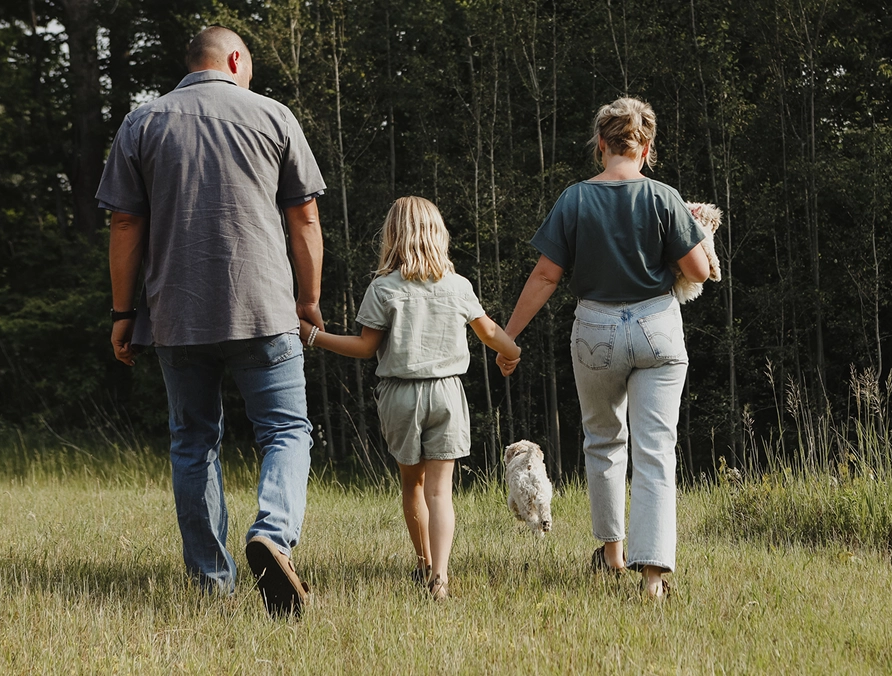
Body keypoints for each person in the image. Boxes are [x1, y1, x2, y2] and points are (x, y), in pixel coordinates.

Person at [97, 26, 326, 617]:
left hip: (176, 313)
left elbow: (124, 227)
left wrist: (123, 313)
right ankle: (273, 534)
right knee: (286, 430)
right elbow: (304, 217)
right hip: (265, 308)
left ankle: (211, 582)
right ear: (234, 59)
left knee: (193, 442)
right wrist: (308, 300)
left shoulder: (141, 124)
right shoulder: (274, 116)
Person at [501, 97, 709, 600]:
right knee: (656, 451)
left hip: (595, 329)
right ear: (647, 146)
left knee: (603, 441)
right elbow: (700, 271)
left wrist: (508, 337)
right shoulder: (664, 198)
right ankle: (654, 579)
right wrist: (695, 228)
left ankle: (612, 557)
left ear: (601, 145)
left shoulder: (574, 199)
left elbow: (547, 274)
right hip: (657, 325)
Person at [300, 196, 520, 601]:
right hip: (448, 394)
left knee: (413, 487)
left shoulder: (383, 288)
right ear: (438, 235)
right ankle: (440, 576)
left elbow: (366, 348)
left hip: (400, 395)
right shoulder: (458, 286)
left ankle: (422, 564)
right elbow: (490, 333)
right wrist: (513, 353)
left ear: (393, 237)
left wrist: (312, 336)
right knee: (441, 491)